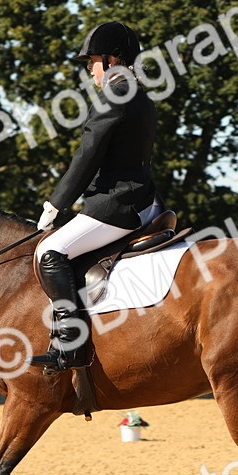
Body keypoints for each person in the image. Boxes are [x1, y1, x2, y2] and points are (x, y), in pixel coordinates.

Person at [29, 21, 159, 372]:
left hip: (116, 205)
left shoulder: (116, 93)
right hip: (142, 199)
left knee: (50, 250)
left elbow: (88, 154)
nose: (89, 70)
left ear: (112, 58)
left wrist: (56, 203)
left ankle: (69, 344)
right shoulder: (139, 93)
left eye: (92, 62)